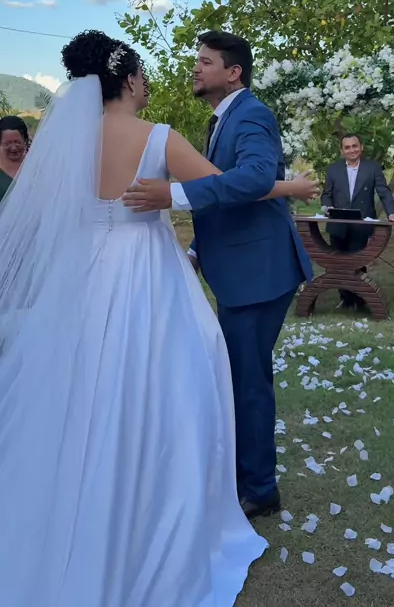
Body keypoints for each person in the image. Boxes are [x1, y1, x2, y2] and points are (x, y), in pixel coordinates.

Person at [0, 30, 318, 607]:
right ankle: (157, 485)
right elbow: (225, 184)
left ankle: (75, 488)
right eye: (143, 76)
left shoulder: (63, 146)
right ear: (127, 80)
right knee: (173, 374)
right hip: (144, 271)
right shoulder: (157, 137)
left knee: (84, 381)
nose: (150, 84)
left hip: (87, 274)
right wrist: (291, 186)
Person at [123, 31, 314, 520]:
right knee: (238, 374)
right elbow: (230, 195)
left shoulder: (251, 114)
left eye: (205, 62)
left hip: (260, 272)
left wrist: (173, 195)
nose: (196, 68)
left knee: (248, 380)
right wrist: (196, 247)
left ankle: (260, 489)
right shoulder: (224, 118)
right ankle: (244, 476)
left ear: (233, 73)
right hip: (240, 266)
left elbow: (255, 177)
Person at [321, 133, 394, 310]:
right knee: (338, 263)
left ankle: (360, 299)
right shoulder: (333, 170)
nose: (351, 150)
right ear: (342, 150)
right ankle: (345, 299)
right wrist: (327, 207)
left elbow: (383, 192)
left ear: (361, 147)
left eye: (354, 146)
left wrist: (391, 213)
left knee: (356, 261)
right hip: (337, 224)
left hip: (361, 224)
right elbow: (326, 194)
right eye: (347, 147)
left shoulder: (372, 168)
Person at [0, 115, 29, 202]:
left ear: (25, 140)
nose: (13, 148)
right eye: (7, 143)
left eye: (17, 142)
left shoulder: (35, 163)